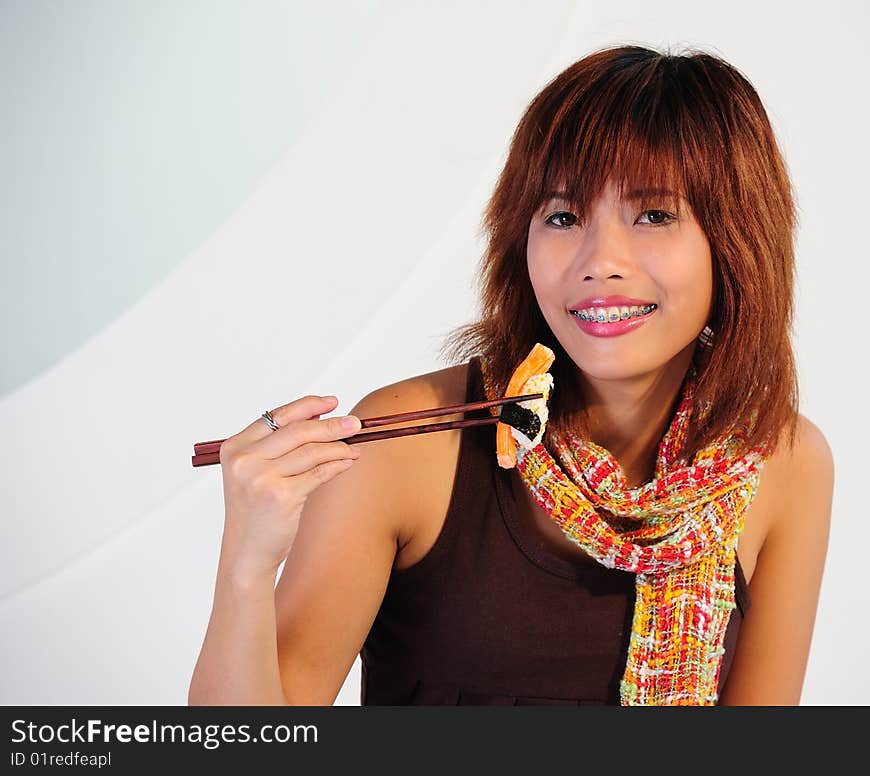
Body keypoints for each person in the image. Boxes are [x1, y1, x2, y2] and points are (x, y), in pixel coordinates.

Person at [188, 44, 834, 707]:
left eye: (653, 214)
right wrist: (246, 564)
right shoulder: (408, 447)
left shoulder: (783, 462)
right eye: (562, 216)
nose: (600, 260)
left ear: (736, 241)